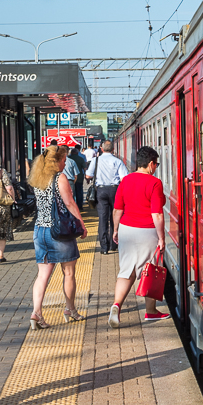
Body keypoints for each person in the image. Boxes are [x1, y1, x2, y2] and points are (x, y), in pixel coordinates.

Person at [28, 144, 88, 329]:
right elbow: (69, 203)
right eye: (63, 160)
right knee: (68, 272)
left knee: (42, 275)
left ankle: (36, 313)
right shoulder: (59, 178)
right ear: (57, 161)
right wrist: (81, 224)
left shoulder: (38, 177)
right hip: (59, 232)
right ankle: (70, 309)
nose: (65, 163)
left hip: (40, 230)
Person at [108, 145, 166, 328]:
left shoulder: (126, 180)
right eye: (155, 164)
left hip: (126, 228)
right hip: (147, 230)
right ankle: (151, 311)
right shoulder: (154, 183)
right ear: (150, 164)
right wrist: (162, 237)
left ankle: (116, 306)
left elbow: (117, 209)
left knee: (126, 271)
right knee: (150, 269)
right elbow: (157, 214)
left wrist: (116, 230)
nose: (155, 167)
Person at [86, 140, 128, 254]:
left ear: (102, 149)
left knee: (103, 218)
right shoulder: (117, 161)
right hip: (115, 190)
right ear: (113, 150)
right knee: (115, 216)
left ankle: (104, 248)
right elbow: (124, 178)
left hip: (101, 191)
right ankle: (114, 244)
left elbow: (88, 175)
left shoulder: (96, 160)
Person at [68, 145, 87, 210]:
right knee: (79, 191)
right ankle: (80, 205)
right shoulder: (81, 159)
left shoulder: (68, 159)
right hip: (79, 177)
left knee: (71, 192)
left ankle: (73, 206)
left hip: (70, 178)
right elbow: (85, 168)